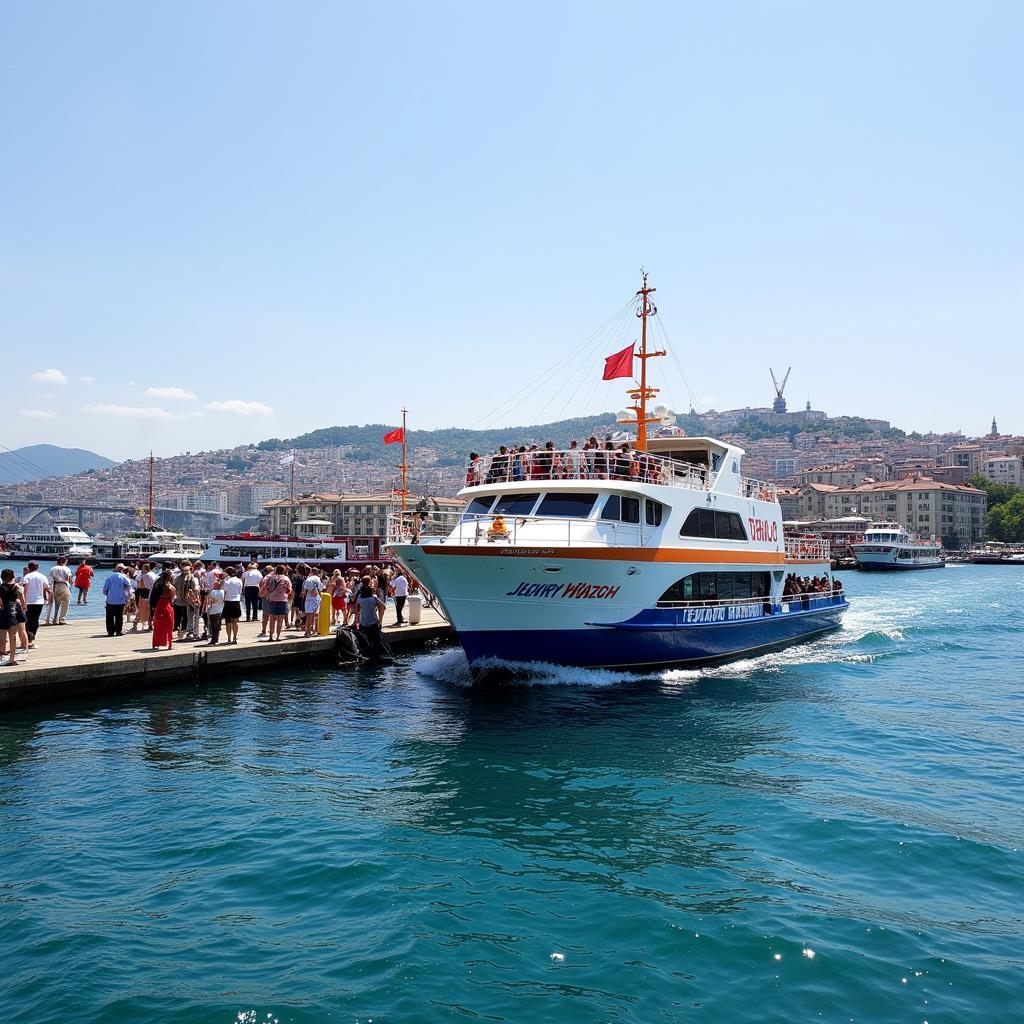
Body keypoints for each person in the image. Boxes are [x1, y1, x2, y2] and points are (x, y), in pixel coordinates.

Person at [20, 562, 50, 646]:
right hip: (39, 602)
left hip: (28, 601)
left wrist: (23, 602)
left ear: (29, 568)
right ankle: (32, 636)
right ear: (37, 568)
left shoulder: (27, 576)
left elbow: (24, 590)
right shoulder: (42, 576)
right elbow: (46, 588)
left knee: (28, 620)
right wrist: (47, 599)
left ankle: (29, 638)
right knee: (35, 619)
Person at [354, 575, 386, 654]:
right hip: (373, 623)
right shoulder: (373, 597)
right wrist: (380, 621)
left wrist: (356, 621)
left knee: (365, 644)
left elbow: (356, 610)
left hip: (363, 623)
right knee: (376, 644)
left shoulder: (359, 597)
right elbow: (383, 607)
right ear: (369, 583)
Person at [102, 564, 133, 637]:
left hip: (110, 600)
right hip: (120, 599)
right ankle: (118, 631)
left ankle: (110, 632)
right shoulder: (123, 577)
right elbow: (129, 586)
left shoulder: (110, 577)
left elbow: (105, 588)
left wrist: (105, 593)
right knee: (119, 616)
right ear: (122, 570)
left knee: (109, 617)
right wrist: (127, 595)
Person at [0, 568, 23, 665]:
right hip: (13, 612)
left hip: (3, 612)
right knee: (13, 637)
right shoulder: (17, 587)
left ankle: (1, 657)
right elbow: (19, 597)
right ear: (12, 576)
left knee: (2, 638)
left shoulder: (1, 588)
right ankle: (12, 658)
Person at [263, 565, 292, 641]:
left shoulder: (271, 578)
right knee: (280, 620)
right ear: (284, 571)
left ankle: (271, 637)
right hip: (282, 600)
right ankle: (278, 637)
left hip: (272, 600)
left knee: (272, 619)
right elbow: (289, 591)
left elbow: (267, 588)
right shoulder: (286, 579)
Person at [150, 569, 176, 651]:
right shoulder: (170, 586)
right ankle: (169, 645)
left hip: (158, 606)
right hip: (166, 606)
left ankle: (155, 644)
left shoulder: (157, 584)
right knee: (169, 626)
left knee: (157, 626)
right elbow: (172, 598)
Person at [221, 566, 243, 644]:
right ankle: (235, 637)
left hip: (228, 601)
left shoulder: (226, 580)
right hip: (236, 601)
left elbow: (224, 590)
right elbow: (240, 591)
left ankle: (229, 638)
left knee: (228, 621)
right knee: (235, 621)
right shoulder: (239, 580)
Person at [49, 556, 73, 625]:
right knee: (66, 602)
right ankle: (62, 619)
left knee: (56, 603)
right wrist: (70, 586)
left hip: (56, 585)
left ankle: (54, 619)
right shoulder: (66, 568)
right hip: (64, 585)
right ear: (64, 561)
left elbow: (51, 578)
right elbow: (69, 578)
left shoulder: (53, 568)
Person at [133, 562, 155, 632]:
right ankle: (149, 625)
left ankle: (136, 624)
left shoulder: (145, 576)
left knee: (142, 611)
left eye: (142, 568)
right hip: (151, 595)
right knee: (149, 611)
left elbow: (142, 587)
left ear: (145, 569)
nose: (141, 570)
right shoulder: (153, 574)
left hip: (145, 595)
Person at [301, 569, 323, 637]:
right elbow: (320, 589)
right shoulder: (318, 579)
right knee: (315, 615)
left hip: (310, 598)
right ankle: (315, 630)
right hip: (317, 598)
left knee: (309, 616)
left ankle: (307, 632)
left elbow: (305, 591)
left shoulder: (309, 579)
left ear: (311, 572)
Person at [205, 577, 225, 645]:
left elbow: (210, 602)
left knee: (213, 627)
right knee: (217, 626)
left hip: (213, 611)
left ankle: (214, 640)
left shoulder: (213, 592)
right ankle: (216, 639)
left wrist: (207, 609)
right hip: (221, 610)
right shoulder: (223, 592)